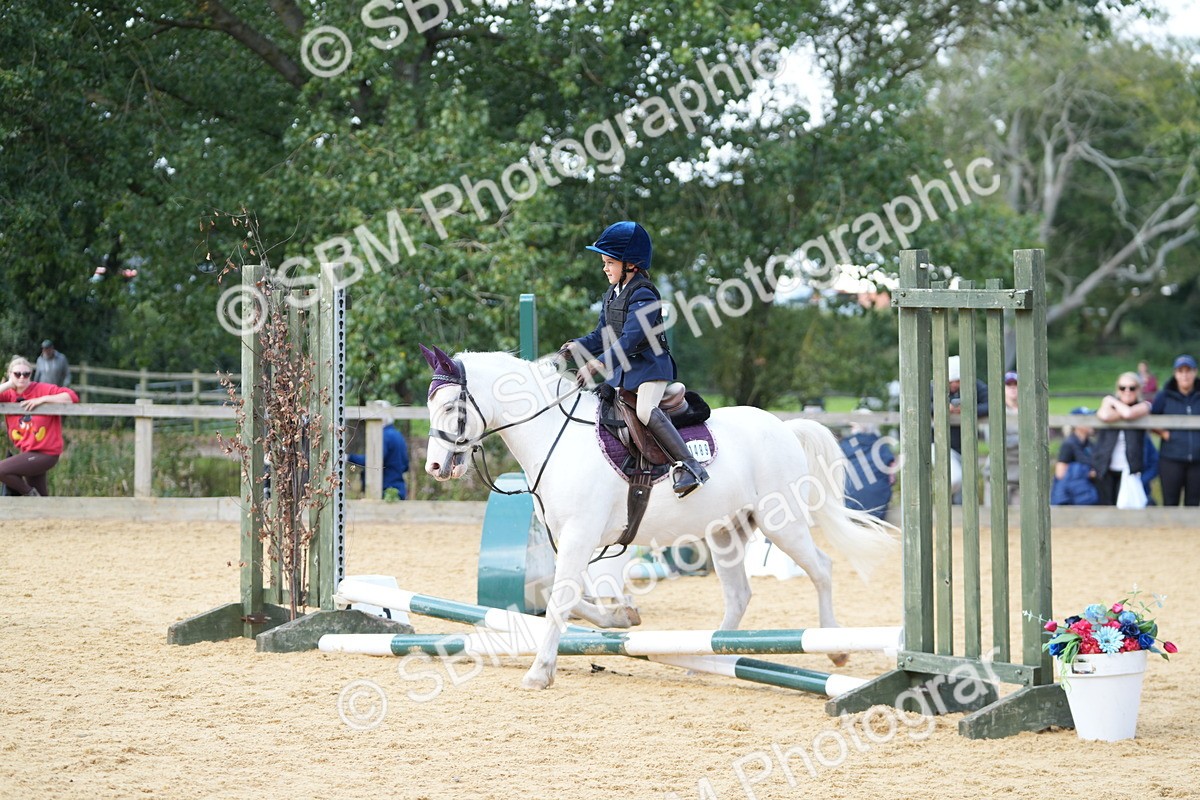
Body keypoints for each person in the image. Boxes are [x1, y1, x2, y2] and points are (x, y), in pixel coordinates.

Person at [561, 220, 708, 497]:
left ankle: (690, 466)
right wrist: (577, 347)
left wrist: (598, 363)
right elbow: (602, 335)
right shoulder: (612, 294)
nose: (604, 268)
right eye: (604, 262)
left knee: (644, 411)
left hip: (650, 369)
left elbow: (629, 338)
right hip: (625, 371)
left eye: (609, 263)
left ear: (631, 264)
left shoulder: (644, 294)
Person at [0, 355, 80, 496]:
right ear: (10, 374)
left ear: (31, 375)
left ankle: (29, 494)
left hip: (46, 454)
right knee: (42, 500)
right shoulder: (8, 394)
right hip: (28, 453)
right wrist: (8, 384)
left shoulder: (42, 389)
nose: (22, 378)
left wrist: (42, 400)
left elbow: (72, 397)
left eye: (26, 374)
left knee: (1, 470)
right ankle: (42, 508)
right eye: (17, 374)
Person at [1091, 372, 1151, 506]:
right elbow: (1105, 415)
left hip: (1130, 470)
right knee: (1106, 510)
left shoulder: (1145, 405)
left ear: (1138, 389)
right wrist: (1123, 413)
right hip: (1105, 469)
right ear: (1117, 389)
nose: (1127, 391)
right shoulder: (1111, 408)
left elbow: (1129, 413)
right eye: (1122, 388)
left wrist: (1111, 400)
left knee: (1128, 511)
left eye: (1132, 388)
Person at [934, 355, 989, 501]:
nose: (954, 385)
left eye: (958, 381)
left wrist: (969, 409)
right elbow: (924, 405)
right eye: (952, 381)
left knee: (966, 490)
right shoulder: (935, 387)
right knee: (955, 480)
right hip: (941, 444)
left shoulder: (975, 386)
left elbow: (991, 404)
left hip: (966, 445)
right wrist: (943, 408)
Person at [1150, 354, 1200, 506]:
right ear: (1175, 374)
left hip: (1198, 460)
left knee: (1193, 503)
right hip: (1171, 459)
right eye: (1180, 371)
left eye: (1188, 371)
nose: (1185, 375)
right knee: (1170, 502)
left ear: (1195, 372)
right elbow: (1150, 419)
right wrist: (1164, 433)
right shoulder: (1164, 396)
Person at [346, 400, 410, 499]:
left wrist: (348, 457)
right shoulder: (398, 435)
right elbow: (405, 465)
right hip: (398, 490)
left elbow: (372, 462)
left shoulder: (383, 436)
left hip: (384, 491)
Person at [840, 420, 896, 519]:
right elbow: (892, 478)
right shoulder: (882, 446)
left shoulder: (845, 444)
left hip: (850, 508)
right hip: (877, 511)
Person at [1052, 407, 1098, 505]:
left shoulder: (1089, 444)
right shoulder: (1069, 444)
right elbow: (1060, 473)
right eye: (1088, 420)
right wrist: (1086, 472)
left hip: (1085, 494)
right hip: (1071, 498)